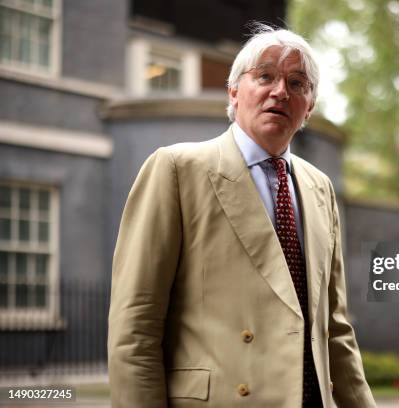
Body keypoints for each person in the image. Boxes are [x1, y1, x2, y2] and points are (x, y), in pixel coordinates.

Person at [108, 24, 376, 408]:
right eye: (265, 76)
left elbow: (335, 330)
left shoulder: (320, 188)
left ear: (309, 107)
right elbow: (135, 327)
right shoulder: (177, 169)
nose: (280, 91)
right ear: (234, 91)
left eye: (297, 83)